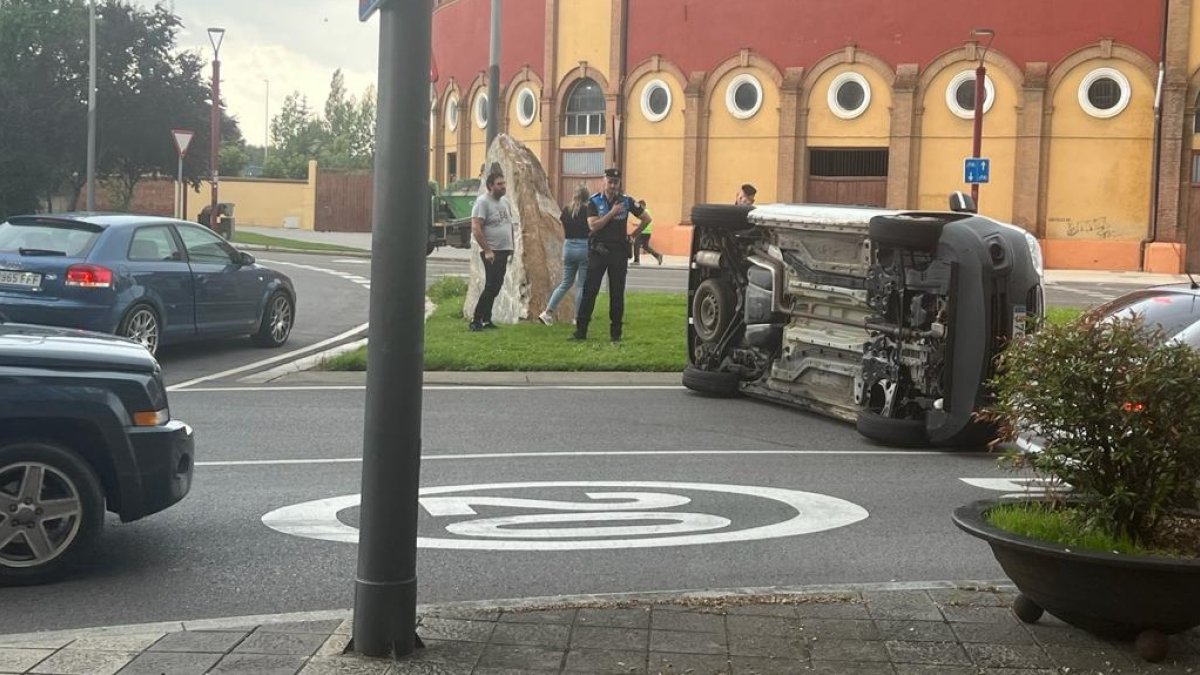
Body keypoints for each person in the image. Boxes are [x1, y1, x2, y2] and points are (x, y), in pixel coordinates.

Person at [572, 167, 651, 342]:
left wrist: (633, 235)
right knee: (590, 291)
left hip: (618, 252)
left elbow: (646, 219)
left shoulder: (627, 201)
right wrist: (612, 213)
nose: (613, 186)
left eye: (616, 182)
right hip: (598, 251)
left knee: (617, 293)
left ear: (619, 183)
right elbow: (594, 226)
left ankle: (616, 334)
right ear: (604, 181)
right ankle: (581, 331)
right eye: (610, 182)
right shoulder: (594, 201)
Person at [468, 171, 516, 332]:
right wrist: (487, 250)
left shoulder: (505, 202)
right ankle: (476, 320)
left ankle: (487, 319)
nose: (503, 187)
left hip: (503, 250)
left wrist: (512, 247)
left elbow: (509, 225)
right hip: (492, 251)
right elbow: (476, 227)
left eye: (504, 183)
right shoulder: (482, 202)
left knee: (497, 285)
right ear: (490, 186)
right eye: (499, 184)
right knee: (491, 285)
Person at [538, 185, 591, 325]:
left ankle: (548, 312)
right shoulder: (588, 210)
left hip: (568, 247)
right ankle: (577, 317)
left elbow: (562, 227)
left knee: (565, 282)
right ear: (587, 197)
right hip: (584, 246)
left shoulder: (566, 210)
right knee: (581, 285)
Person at [630, 200, 663, 266]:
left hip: (643, 232)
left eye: (640, 206)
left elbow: (645, 221)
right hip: (648, 232)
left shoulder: (644, 212)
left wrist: (637, 227)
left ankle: (636, 260)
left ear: (643, 206)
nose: (639, 208)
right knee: (645, 246)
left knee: (636, 244)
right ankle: (657, 255)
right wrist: (637, 225)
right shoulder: (648, 211)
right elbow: (645, 222)